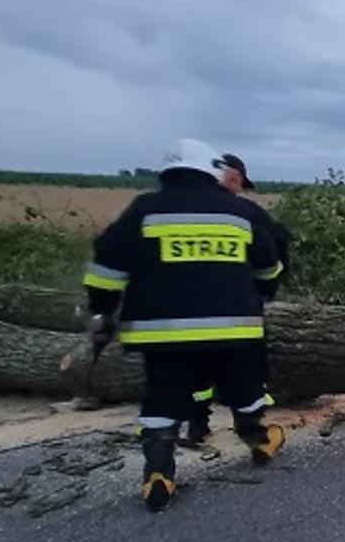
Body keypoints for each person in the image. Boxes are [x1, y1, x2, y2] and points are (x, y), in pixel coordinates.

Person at [83, 138, 287, 512]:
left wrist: (103, 312)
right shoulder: (237, 212)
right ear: (213, 171)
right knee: (244, 386)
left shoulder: (145, 209)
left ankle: (158, 471)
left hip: (162, 333)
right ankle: (258, 438)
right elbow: (269, 265)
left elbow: (106, 269)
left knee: (164, 396)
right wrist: (260, 293)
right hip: (233, 328)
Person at [183, 152, 291, 446]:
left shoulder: (179, 209)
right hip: (238, 309)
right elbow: (276, 250)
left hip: (186, 311)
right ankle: (253, 431)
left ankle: (197, 424)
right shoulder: (245, 213)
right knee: (247, 369)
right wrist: (267, 289)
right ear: (232, 178)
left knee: (196, 370)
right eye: (240, 181)